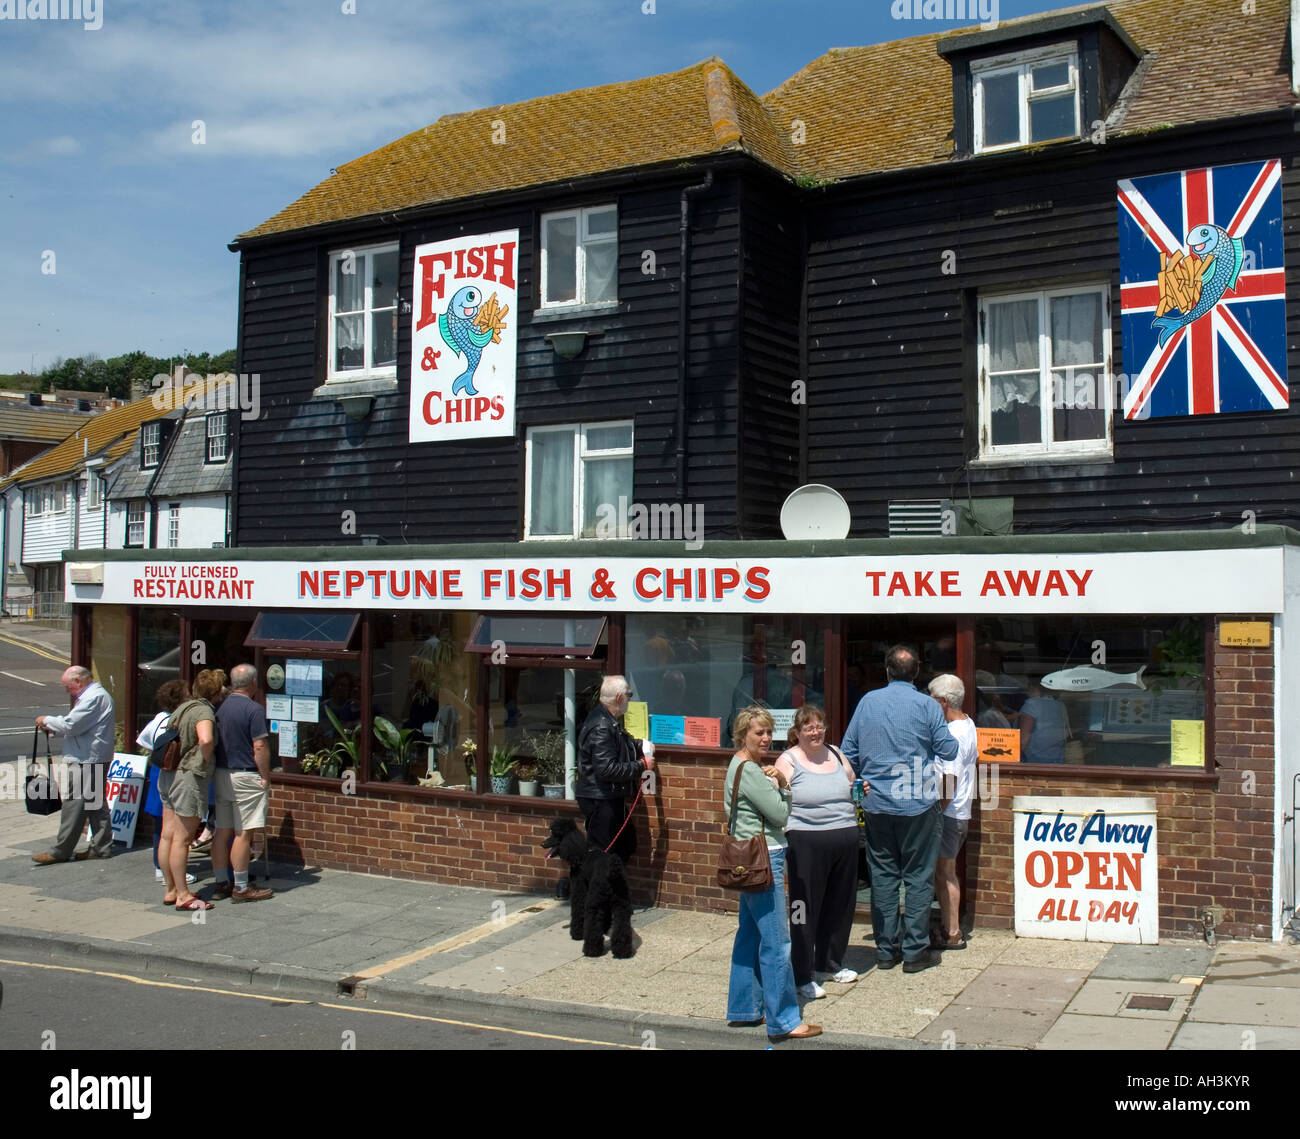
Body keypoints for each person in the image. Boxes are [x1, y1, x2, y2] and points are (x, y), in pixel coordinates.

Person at [841, 645, 958, 974]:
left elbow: (849, 752)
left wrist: (861, 784)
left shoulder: (867, 703)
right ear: (917, 672)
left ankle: (885, 950)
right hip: (918, 804)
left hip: (877, 803)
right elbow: (948, 751)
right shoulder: (927, 705)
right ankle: (914, 951)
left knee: (883, 877)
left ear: (887, 670)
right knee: (919, 878)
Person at [724, 706, 821, 1040]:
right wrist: (783, 783)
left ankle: (744, 1009)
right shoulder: (751, 770)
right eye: (758, 733)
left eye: (768, 732)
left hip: (746, 860)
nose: (766, 738)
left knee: (749, 935)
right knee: (778, 942)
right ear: (742, 735)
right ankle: (785, 1021)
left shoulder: (736, 764)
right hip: (766, 858)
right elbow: (780, 815)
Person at [775, 704, 860, 999]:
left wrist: (862, 789)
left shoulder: (836, 753)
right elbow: (775, 795)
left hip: (845, 838)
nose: (815, 732)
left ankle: (831, 963)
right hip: (805, 842)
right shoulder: (788, 760)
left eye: (819, 726)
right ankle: (802, 974)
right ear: (797, 732)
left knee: (840, 904)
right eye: (808, 727)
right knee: (804, 909)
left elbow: (852, 783)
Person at [32, 666, 116, 865]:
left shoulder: (93, 697)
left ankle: (61, 851)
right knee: (95, 805)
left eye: (67, 686)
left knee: (74, 805)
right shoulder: (95, 696)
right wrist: (52, 729)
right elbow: (79, 727)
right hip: (92, 757)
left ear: (78, 681)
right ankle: (101, 847)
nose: (66, 690)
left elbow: (71, 725)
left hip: (86, 759)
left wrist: (46, 720)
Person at [157, 669, 223, 910]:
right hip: (188, 777)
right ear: (217, 691)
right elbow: (205, 739)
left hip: (167, 774)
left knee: (167, 835)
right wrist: (205, 760)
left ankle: (171, 889)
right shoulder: (204, 711)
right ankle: (184, 895)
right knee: (183, 839)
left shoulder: (182, 708)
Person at [211, 663, 274, 904]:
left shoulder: (220, 707)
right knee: (243, 832)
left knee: (222, 830)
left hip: (221, 774)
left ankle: (221, 882)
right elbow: (259, 746)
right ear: (252, 683)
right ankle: (241, 886)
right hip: (245, 776)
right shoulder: (254, 709)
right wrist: (265, 776)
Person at [575, 675, 654, 860]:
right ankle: (596, 888)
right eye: (629, 694)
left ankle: (610, 886)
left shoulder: (605, 719)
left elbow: (618, 743)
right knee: (603, 856)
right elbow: (607, 769)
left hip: (607, 797)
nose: (630, 698)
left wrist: (640, 744)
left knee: (624, 847)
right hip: (600, 799)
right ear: (619, 698)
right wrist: (641, 765)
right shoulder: (602, 725)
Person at [929, 674, 978, 951]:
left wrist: (937, 810)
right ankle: (951, 929)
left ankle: (953, 933)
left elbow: (949, 779)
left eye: (932, 699)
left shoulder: (953, 734)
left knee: (944, 873)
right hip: (960, 811)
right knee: (944, 872)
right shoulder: (968, 724)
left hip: (950, 813)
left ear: (944, 702)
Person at [138, 679, 195, 886]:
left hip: (157, 771)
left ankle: (160, 868)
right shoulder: (182, 720)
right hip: (175, 774)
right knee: (176, 827)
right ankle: (171, 870)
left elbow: (144, 741)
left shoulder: (158, 719)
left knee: (160, 825)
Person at [1020, 677, 1070, 764]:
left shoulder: (1031, 705)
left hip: (1034, 763)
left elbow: (1023, 741)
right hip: (1057, 761)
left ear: (1034, 686)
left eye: (1028, 685)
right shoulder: (1060, 705)